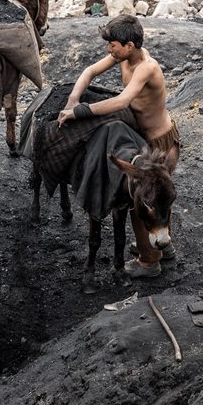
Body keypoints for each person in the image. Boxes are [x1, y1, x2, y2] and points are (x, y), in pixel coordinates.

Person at [57, 15, 178, 278]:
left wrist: (80, 112)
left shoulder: (146, 67)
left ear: (130, 45)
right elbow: (89, 72)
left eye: (112, 45)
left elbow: (122, 101)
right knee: (157, 197)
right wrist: (73, 98)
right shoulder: (123, 56)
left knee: (142, 200)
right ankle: (162, 247)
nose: (109, 50)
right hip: (141, 137)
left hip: (158, 139)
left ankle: (149, 262)